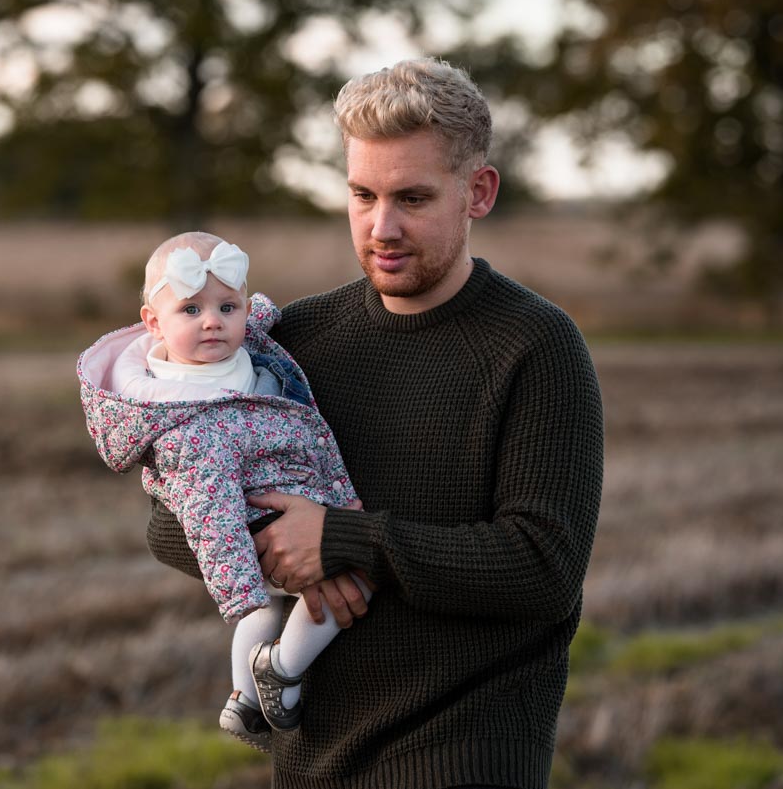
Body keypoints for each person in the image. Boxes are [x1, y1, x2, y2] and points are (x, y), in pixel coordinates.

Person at [145, 58, 604, 789]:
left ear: (477, 192)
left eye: (412, 198)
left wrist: (342, 538)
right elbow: (168, 521)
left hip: (467, 756)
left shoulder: (535, 346)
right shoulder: (292, 344)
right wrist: (278, 539)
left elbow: (543, 566)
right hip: (313, 761)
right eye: (362, 194)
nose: (381, 227)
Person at [76, 231, 374, 753]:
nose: (213, 320)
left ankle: (243, 699)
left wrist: (257, 309)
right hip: (258, 523)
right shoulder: (185, 422)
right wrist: (240, 585)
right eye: (190, 309)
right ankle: (281, 670)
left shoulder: (239, 347)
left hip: (299, 494)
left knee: (270, 612)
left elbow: (252, 318)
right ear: (153, 323)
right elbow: (209, 513)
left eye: (226, 306)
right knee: (352, 577)